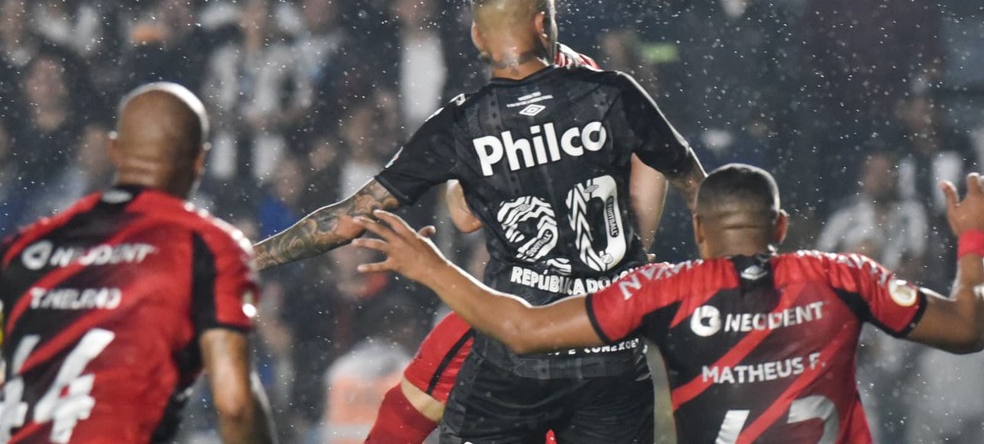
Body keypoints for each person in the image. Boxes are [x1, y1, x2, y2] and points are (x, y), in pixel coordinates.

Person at [254, 0, 706, 443]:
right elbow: (695, 185)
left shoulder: (463, 123)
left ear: (475, 37)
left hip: (515, 355)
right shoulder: (613, 93)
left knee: (423, 396)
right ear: (545, 24)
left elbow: (354, 219)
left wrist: (248, 259)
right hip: (611, 353)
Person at [355, 163, 984, 444]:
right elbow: (967, 328)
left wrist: (428, 266)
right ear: (782, 226)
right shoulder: (844, 276)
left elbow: (519, 328)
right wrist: (972, 239)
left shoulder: (666, 290)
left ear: (702, 233)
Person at [0, 82, 275, 444]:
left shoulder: (24, 247)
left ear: (114, 149)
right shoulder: (206, 246)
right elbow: (235, 404)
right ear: (199, 160)